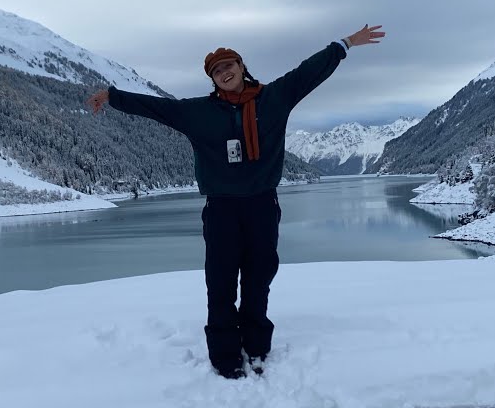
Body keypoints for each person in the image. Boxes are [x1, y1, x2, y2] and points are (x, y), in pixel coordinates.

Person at [85, 24, 385, 379]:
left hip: (262, 206)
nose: (224, 73)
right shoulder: (198, 113)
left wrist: (346, 43)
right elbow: (156, 108)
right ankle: (225, 355)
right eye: (216, 71)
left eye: (229, 66)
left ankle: (257, 347)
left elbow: (309, 72)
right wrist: (112, 96)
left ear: (242, 67)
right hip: (222, 209)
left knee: (259, 280)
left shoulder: (273, 99)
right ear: (213, 80)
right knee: (221, 282)